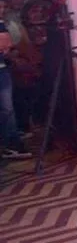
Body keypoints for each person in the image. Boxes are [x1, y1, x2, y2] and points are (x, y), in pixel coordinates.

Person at [0, 12, 30, 159]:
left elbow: (8, 44)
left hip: (2, 69)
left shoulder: (1, 23)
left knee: (7, 109)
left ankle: (11, 145)